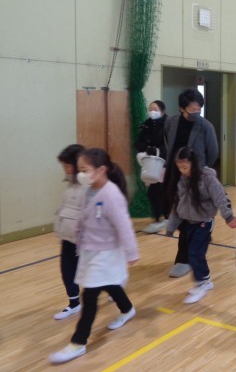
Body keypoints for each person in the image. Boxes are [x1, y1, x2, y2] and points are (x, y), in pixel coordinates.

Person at [49, 149, 138, 364]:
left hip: (106, 253)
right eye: (79, 170)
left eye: (84, 170)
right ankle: (127, 309)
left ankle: (78, 342)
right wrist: (76, 235)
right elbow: (82, 216)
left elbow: (124, 226)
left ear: (101, 170)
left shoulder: (111, 195)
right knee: (109, 285)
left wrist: (132, 252)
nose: (80, 174)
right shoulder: (87, 190)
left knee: (89, 296)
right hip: (90, 250)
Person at [166, 147, 236, 304]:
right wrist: (171, 226)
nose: (182, 171)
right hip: (189, 223)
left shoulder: (207, 178)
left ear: (193, 163)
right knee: (196, 253)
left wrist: (228, 216)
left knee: (194, 254)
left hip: (204, 222)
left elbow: (220, 197)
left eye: (185, 167)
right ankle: (205, 280)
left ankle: (202, 284)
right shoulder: (182, 180)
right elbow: (177, 205)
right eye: (179, 168)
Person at [164, 88, 219, 278]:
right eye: (192, 109)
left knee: (188, 216)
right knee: (176, 212)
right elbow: (168, 142)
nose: (196, 112)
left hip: (194, 177)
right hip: (174, 173)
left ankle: (184, 258)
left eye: (198, 109)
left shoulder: (205, 127)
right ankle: (199, 240)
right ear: (182, 108)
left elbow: (213, 152)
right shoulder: (171, 122)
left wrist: (198, 172)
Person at [52, 144, 86, 321]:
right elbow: (64, 210)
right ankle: (74, 304)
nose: (65, 168)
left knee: (93, 272)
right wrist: (60, 230)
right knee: (67, 270)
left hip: (84, 241)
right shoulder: (70, 187)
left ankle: (115, 289)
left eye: (67, 164)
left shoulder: (89, 186)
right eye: (63, 165)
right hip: (68, 237)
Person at [134, 100, 168, 234]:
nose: (152, 111)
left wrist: (158, 151)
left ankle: (163, 218)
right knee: (154, 191)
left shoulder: (167, 125)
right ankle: (160, 217)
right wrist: (146, 148)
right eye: (150, 109)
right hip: (150, 162)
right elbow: (138, 142)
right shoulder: (147, 124)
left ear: (162, 111)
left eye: (155, 109)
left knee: (158, 191)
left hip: (163, 163)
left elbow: (169, 144)